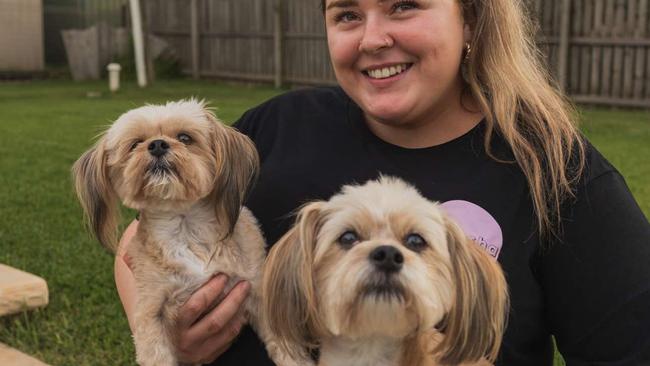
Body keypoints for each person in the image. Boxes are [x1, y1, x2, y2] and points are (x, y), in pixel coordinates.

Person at [115, 0, 650, 365]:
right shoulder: (272, 129)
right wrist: (174, 336)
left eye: (404, 4)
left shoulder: (558, 174)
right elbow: (140, 241)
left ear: (473, 19)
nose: (373, 38)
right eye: (347, 14)